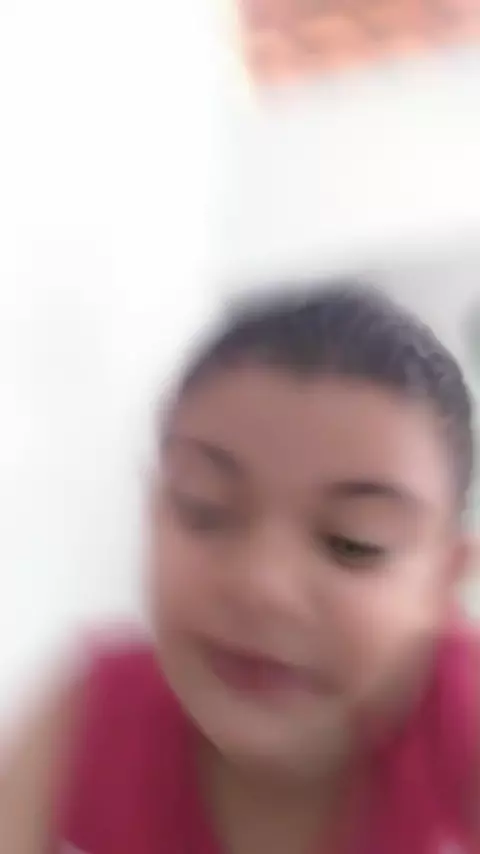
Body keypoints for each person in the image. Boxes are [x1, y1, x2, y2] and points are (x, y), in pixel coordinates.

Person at [1, 282, 478, 854]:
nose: (263, 585)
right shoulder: (90, 716)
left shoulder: (463, 720)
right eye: (205, 509)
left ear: (445, 581)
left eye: (353, 542)